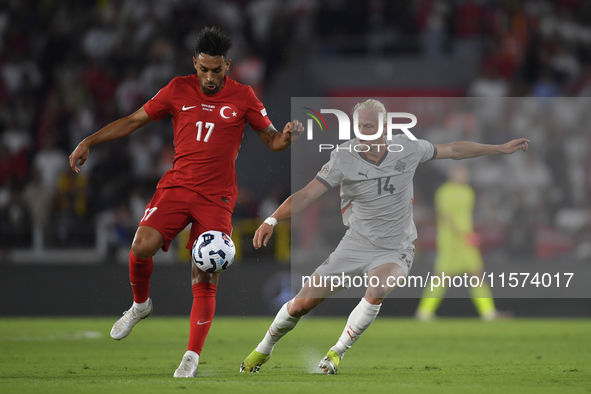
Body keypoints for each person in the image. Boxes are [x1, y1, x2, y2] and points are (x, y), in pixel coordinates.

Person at [68, 27, 303, 378]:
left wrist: (286, 138)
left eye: (217, 70)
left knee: (205, 272)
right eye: (204, 69)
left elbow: (271, 141)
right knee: (141, 245)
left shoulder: (244, 96)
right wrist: (90, 140)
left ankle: (191, 356)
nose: (209, 78)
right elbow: (134, 120)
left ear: (228, 66)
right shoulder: (178, 89)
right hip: (177, 187)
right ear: (195, 63)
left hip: (217, 197)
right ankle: (140, 305)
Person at [240, 99, 529, 374]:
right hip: (355, 244)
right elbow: (306, 195)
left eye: (369, 126)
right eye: (359, 126)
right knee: (303, 304)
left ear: (385, 126)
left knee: (378, 288)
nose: (363, 132)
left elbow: (453, 150)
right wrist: (272, 218)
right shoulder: (343, 157)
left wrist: (499, 149)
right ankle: (264, 348)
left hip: (396, 248)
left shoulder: (408, 148)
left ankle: (336, 352)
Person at [415, 165, 503, 321]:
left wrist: (467, 235)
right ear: (452, 174)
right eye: (461, 172)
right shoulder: (444, 191)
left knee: (476, 274)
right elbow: (446, 216)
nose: (464, 175)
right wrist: (464, 235)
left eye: (466, 173)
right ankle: (424, 312)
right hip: (450, 242)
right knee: (442, 277)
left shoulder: (468, 192)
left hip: (467, 241)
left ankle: (488, 313)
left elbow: (466, 217)